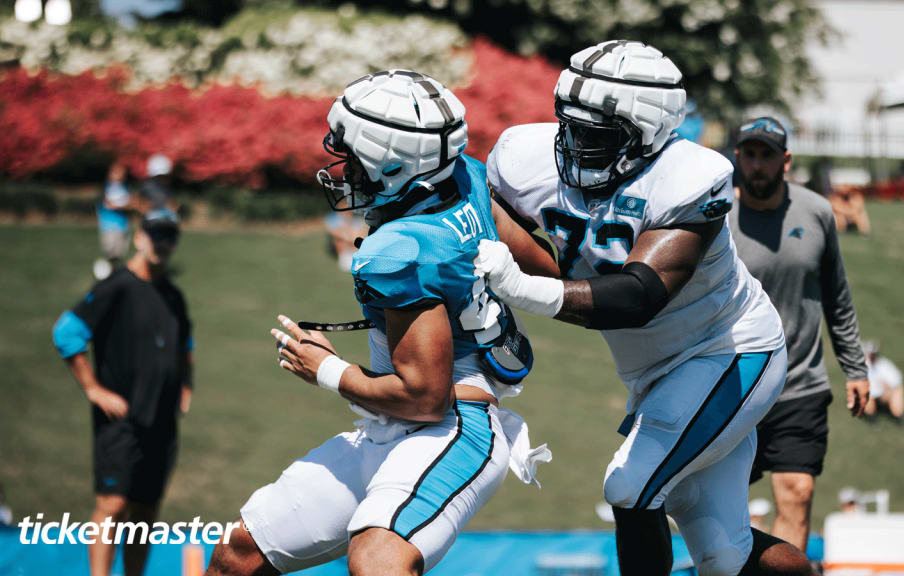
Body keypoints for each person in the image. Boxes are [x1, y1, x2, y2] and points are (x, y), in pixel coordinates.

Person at [478, 40, 811, 576]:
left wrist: (517, 287)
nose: (574, 144)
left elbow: (638, 297)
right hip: (652, 370)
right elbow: (489, 225)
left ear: (648, 131)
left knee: (629, 487)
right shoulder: (524, 155)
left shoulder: (689, 177)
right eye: (570, 125)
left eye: (596, 133)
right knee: (727, 559)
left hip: (728, 352)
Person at [205, 70, 548, 576]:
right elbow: (544, 264)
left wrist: (324, 369)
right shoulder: (464, 177)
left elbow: (426, 399)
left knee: (377, 561)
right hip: (394, 426)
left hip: (456, 426)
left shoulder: (399, 251)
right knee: (239, 554)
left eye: (354, 159)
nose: (344, 171)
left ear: (393, 163)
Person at [727, 116, 870, 552]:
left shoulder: (817, 212)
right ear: (738, 158)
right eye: (749, 155)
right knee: (723, 504)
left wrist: (856, 367)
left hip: (800, 383)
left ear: (785, 161)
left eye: (766, 156)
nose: (757, 165)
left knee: (797, 493)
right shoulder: (716, 218)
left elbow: (837, 296)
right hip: (731, 384)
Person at [52, 209, 193, 576]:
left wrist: (186, 386)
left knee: (145, 511)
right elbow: (67, 333)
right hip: (121, 419)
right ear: (139, 238)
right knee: (113, 505)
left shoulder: (173, 295)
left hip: (160, 421)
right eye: (155, 234)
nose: (162, 243)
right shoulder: (116, 287)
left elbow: (185, 343)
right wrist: (94, 390)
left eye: (169, 237)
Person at [93, 162, 135, 280]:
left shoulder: (125, 188)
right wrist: (125, 205)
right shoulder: (106, 188)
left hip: (122, 225)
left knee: (120, 253)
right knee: (112, 252)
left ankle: (114, 273)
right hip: (109, 225)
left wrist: (127, 205)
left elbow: (132, 204)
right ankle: (107, 272)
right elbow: (110, 205)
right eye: (116, 172)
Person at [863, 340, 904, 419]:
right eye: (871, 353)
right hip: (869, 393)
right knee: (869, 409)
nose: (873, 356)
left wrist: (887, 389)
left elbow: (896, 380)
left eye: (874, 354)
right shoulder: (863, 365)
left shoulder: (884, 364)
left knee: (897, 410)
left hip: (884, 393)